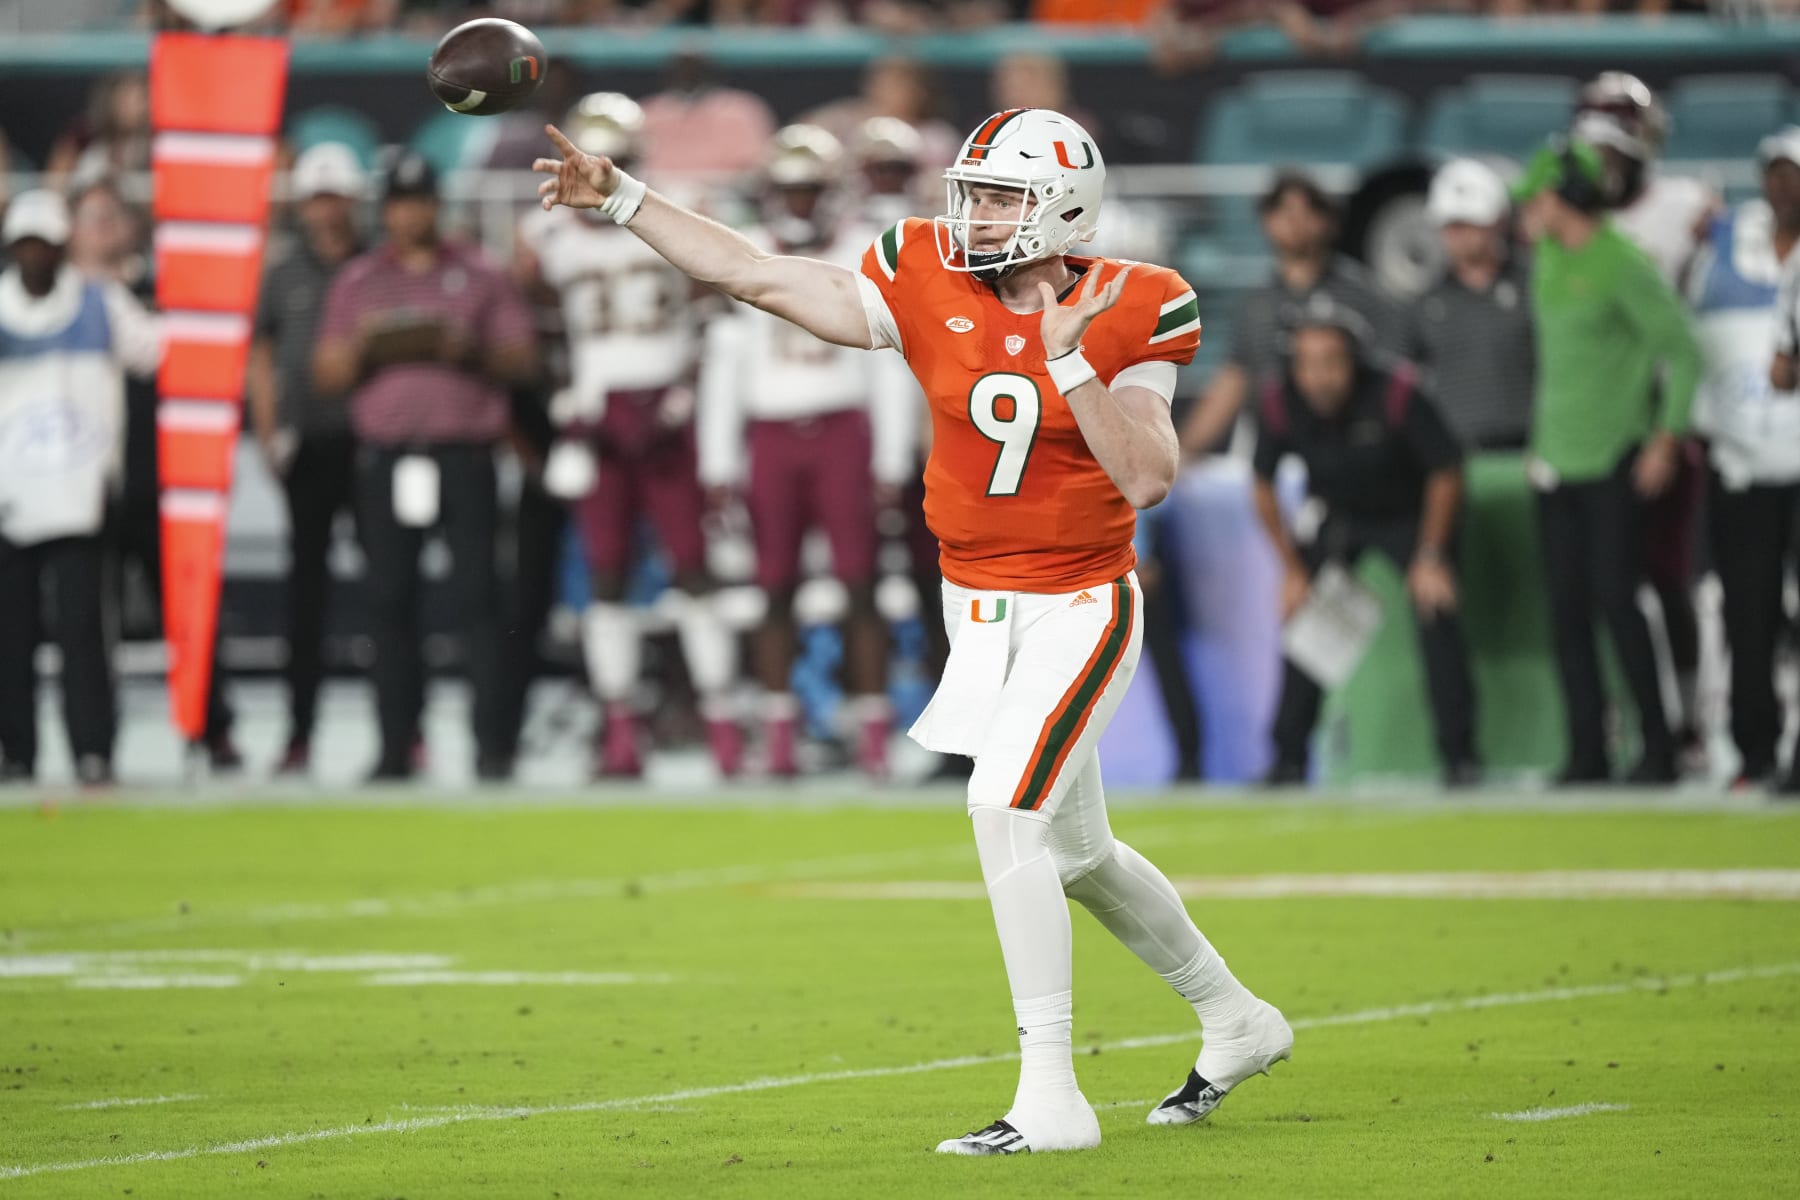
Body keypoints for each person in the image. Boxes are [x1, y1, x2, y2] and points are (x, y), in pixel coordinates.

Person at [535, 103, 1291, 1155]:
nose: (975, 213)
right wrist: (623, 198)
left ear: (1063, 206)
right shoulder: (921, 265)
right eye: (972, 191)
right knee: (1078, 853)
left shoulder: (1139, 300)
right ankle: (1238, 1018)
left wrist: (1071, 363)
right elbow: (757, 274)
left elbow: (1149, 477)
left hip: (1079, 601)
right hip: (974, 605)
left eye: (1001, 196)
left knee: (1001, 808)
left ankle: (1051, 1096)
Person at [519, 94, 742, 780]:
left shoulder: (674, 206)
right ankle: (619, 727)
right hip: (598, 415)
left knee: (692, 569)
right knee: (605, 573)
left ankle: (722, 723)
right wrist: (568, 399)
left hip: (666, 405)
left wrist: (684, 392)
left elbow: (716, 304)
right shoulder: (545, 231)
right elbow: (537, 326)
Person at [697, 125, 916, 779]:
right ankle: (780, 728)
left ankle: (873, 729)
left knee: (860, 584)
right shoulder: (751, 253)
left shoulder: (858, 250)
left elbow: (886, 359)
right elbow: (727, 363)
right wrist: (717, 462)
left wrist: (891, 457)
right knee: (773, 587)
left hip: (844, 427)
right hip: (770, 430)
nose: (798, 204)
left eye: (810, 191)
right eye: (789, 191)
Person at [313, 151, 537, 783]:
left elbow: (522, 359)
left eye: (421, 201)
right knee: (388, 601)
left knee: (479, 600)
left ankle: (492, 745)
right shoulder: (360, 281)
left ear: (438, 206)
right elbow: (325, 373)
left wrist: (468, 351)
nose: (411, 214)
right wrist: (368, 347)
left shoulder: (479, 272)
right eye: (400, 202)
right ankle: (395, 745)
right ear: (385, 211)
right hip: (389, 459)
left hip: (462, 454)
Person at [1514, 138, 1700, 786]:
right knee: (1567, 612)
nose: (1526, 213)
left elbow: (1682, 349)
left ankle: (1661, 749)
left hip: (1613, 459)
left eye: (1535, 198)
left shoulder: (1623, 262)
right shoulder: (1545, 259)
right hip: (1556, 459)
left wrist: (1665, 439)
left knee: (1620, 605)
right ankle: (1587, 752)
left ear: (1566, 196)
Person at [1252, 297, 1478, 785]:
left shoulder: (1397, 393)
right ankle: (1288, 760)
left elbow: (1446, 471)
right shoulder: (1280, 400)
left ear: (1355, 359)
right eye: (1308, 364)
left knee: (1436, 611)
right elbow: (1262, 484)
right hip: (1342, 518)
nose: (1320, 377)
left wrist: (1432, 555)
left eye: (1332, 362)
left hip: (1412, 516)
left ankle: (1460, 756)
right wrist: (1291, 569)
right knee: (1310, 620)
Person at [1574, 71, 1716, 757]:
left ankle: (1688, 714)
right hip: (1606, 417)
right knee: (1609, 585)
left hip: (1669, 412)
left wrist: (1674, 426)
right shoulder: (1575, 220)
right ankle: (1635, 719)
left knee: (1670, 575)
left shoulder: (1686, 206)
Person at [0, 191, 160, 786]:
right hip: (8, 500)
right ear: (14, 248)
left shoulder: (102, 303)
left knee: (85, 637)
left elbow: (158, 351)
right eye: (27, 244)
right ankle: (16, 752)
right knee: (9, 638)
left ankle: (93, 749)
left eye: (46, 243)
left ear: (62, 246)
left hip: (80, 499)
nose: (37, 255)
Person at [248, 142, 367, 776]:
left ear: (351, 200)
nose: (325, 210)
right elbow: (263, 355)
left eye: (334, 197)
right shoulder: (285, 273)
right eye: (316, 198)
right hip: (309, 445)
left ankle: (402, 731)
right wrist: (269, 432)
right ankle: (299, 735)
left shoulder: (377, 265)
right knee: (306, 596)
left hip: (371, 440)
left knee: (388, 594)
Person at [1693, 128, 1800, 790]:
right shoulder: (1724, 244)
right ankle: (1754, 749)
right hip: (1743, 457)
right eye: (1774, 172)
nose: (1783, 184)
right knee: (1748, 611)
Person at [1178, 170, 1403, 458]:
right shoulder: (1255, 304)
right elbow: (1236, 377)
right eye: (1281, 210)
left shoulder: (1364, 297)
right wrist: (1185, 450)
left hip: (1346, 440)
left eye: (1308, 210)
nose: (1294, 221)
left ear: (1329, 222)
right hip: (1271, 442)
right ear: (1266, 222)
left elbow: (1389, 377)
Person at [1405, 158, 1534, 451]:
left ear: (1497, 221)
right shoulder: (1426, 301)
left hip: (1528, 447)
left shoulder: (1534, 285)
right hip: (1455, 450)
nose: (1457, 236)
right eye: (1450, 226)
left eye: (1468, 224)